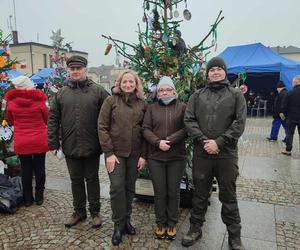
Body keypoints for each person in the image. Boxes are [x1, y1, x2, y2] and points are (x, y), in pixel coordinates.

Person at [183, 57, 246, 250]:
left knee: (228, 195)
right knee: (200, 193)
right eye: (212, 70)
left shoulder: (236, 95)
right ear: (207, 73)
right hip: (203, 153)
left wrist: (219, 142)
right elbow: (189, 120)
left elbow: (239, 122)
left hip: (226, 154)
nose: (215, 72)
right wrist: (204, 141)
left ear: (225, 72)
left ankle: (234, 236)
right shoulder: (197, 95)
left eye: (219, 69)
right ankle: (195, 228)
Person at [47, 55, 108, 228]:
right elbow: (53, 119)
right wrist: (52, 143)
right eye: (72, 69)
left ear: (85, 70)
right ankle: (79, 211)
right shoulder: (61, 93)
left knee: (92, 179)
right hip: (70, 144)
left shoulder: (98, 91)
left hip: (92, 144)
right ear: (68, 71)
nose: (75, 71)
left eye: (78, 69)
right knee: (76, 180)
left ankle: (95, 211)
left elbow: (111, 111)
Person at [98, 69, 147, 246]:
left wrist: (143, 155)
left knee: (129, 188)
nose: (128, 84)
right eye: (124, 81)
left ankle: (127, 221)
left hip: (134, 154)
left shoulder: (142, 103)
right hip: (115, 155)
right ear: (119, 83)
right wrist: (109, 153)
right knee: (117, 188)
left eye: (131, 82)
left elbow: (146, 129)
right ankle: (118, 225)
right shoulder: (111, 101)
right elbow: (102, 127)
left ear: (136, 84)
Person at [143, 76, 186, 241]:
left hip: (176, 157)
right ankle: (161, 223)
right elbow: (145, 129)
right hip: (156, 157)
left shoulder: (182, 107)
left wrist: (171, 140)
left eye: (168, 89)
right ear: (157, 93)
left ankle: (172, 223)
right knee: (160, 193)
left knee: (173, 192)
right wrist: (157, 142)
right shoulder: (152, 108)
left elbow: (186, 128)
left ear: (174, 91)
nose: (164, 92)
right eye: (161, 90)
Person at [5, 76, 48, 206]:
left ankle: (28, 198)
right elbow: (47, 118)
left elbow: (11, 120)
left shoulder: (11, 103)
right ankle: (39, 196)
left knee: (26, 169)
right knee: (40, 167)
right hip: (39, 138)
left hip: (22, 140)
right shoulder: (39, 101)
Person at [281, 75, 300, 156]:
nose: (292, 83)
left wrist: (284, 114)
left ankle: (288, 150)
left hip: (291, 117)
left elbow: (284, 105)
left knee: (290, 134)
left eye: (293, 82)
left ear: (296, 82)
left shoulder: (290, 93)